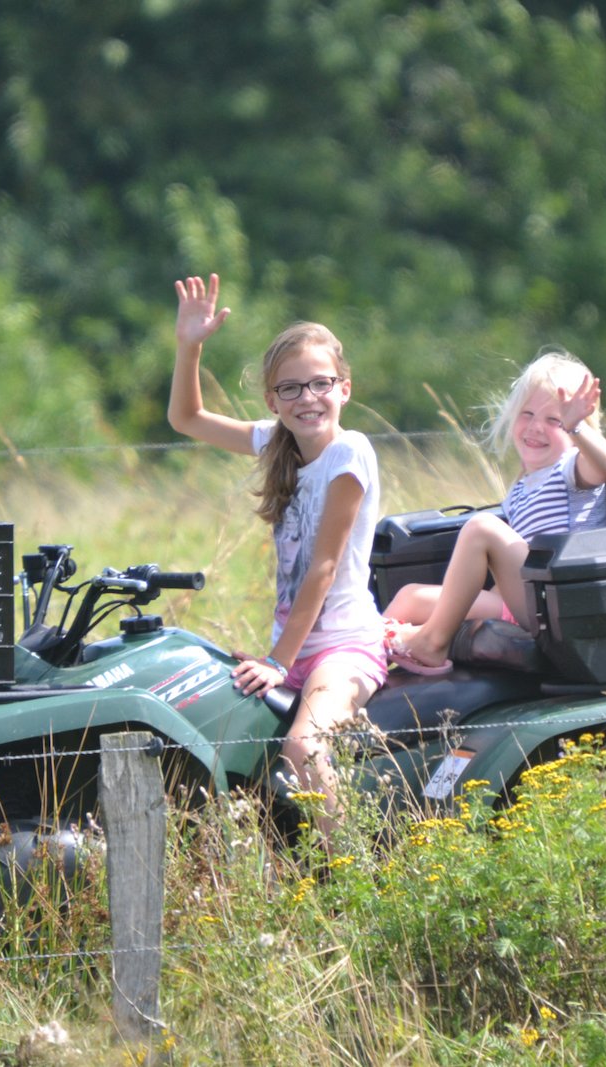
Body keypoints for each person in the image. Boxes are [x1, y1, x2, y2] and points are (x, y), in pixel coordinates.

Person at [168, 273, 386, 839]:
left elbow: (324, 568)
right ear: (272, 399)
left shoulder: (349, 454)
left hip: (343, 648)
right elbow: (186, 419)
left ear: (344, 388)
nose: (306, 398)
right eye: (290, 388)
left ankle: (356, 884)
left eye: (320, 383)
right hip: (293, 647)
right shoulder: (277, 443)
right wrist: (190, 344)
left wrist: (277, 663)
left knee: (301, 747)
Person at [383, 349, 606, 674]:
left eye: (554, 420)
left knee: (482, 528)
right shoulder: (521, 488)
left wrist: (576, 427)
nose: (536, 427)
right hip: (524, 601)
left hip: (560, 604)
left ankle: (430, 643)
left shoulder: (573, 470)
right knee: (409, 597)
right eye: (527, 414)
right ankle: (362, 659)